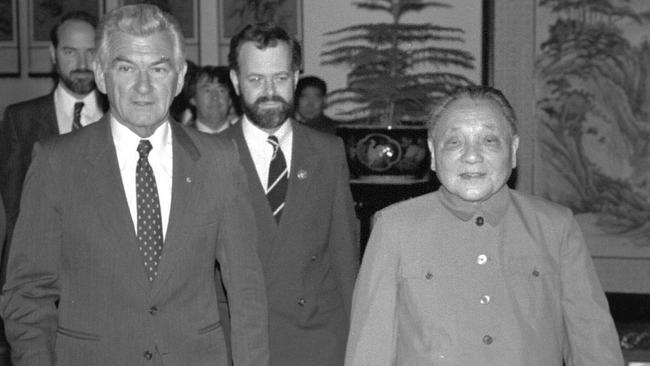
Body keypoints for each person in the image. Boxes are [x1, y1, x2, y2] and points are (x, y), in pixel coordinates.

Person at [0, 5, 269, 366]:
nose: (143, 86)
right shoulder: (56, 163)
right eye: (126, 68)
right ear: (100, 74)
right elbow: (28, 294)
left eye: (158, 68)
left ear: (179, 77)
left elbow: (247, 291)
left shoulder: (219, 161)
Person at [344, 85, 624, 365]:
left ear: (513, 150)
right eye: (454, 142)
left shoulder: (555, 226)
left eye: (489, 140)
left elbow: (594, 345)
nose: (472, 156)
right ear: (432, 151)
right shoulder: (395, 227)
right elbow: (369, 350)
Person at [219, 22, 360, 366]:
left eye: (280, 77)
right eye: (255, 80)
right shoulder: (209, 156)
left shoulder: (327, 151)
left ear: (296, 77)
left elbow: (345, 255)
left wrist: (359, 342)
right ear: (236, 81)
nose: (269, 91)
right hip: (238, 342)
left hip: (319, 341)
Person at [0, 10, 107, 250]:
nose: (82, 64)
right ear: (53, 54)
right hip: (43, 266)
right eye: (70, 52)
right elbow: (13, 210)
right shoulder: (20, 120)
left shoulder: (121, 117)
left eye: (90, 52)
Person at [187, 65, 240, 134]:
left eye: (221, 90)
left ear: (230, 99)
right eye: (207, 90)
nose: (215, 97)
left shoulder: (247, 139)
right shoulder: (180, 139)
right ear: (193, 99)